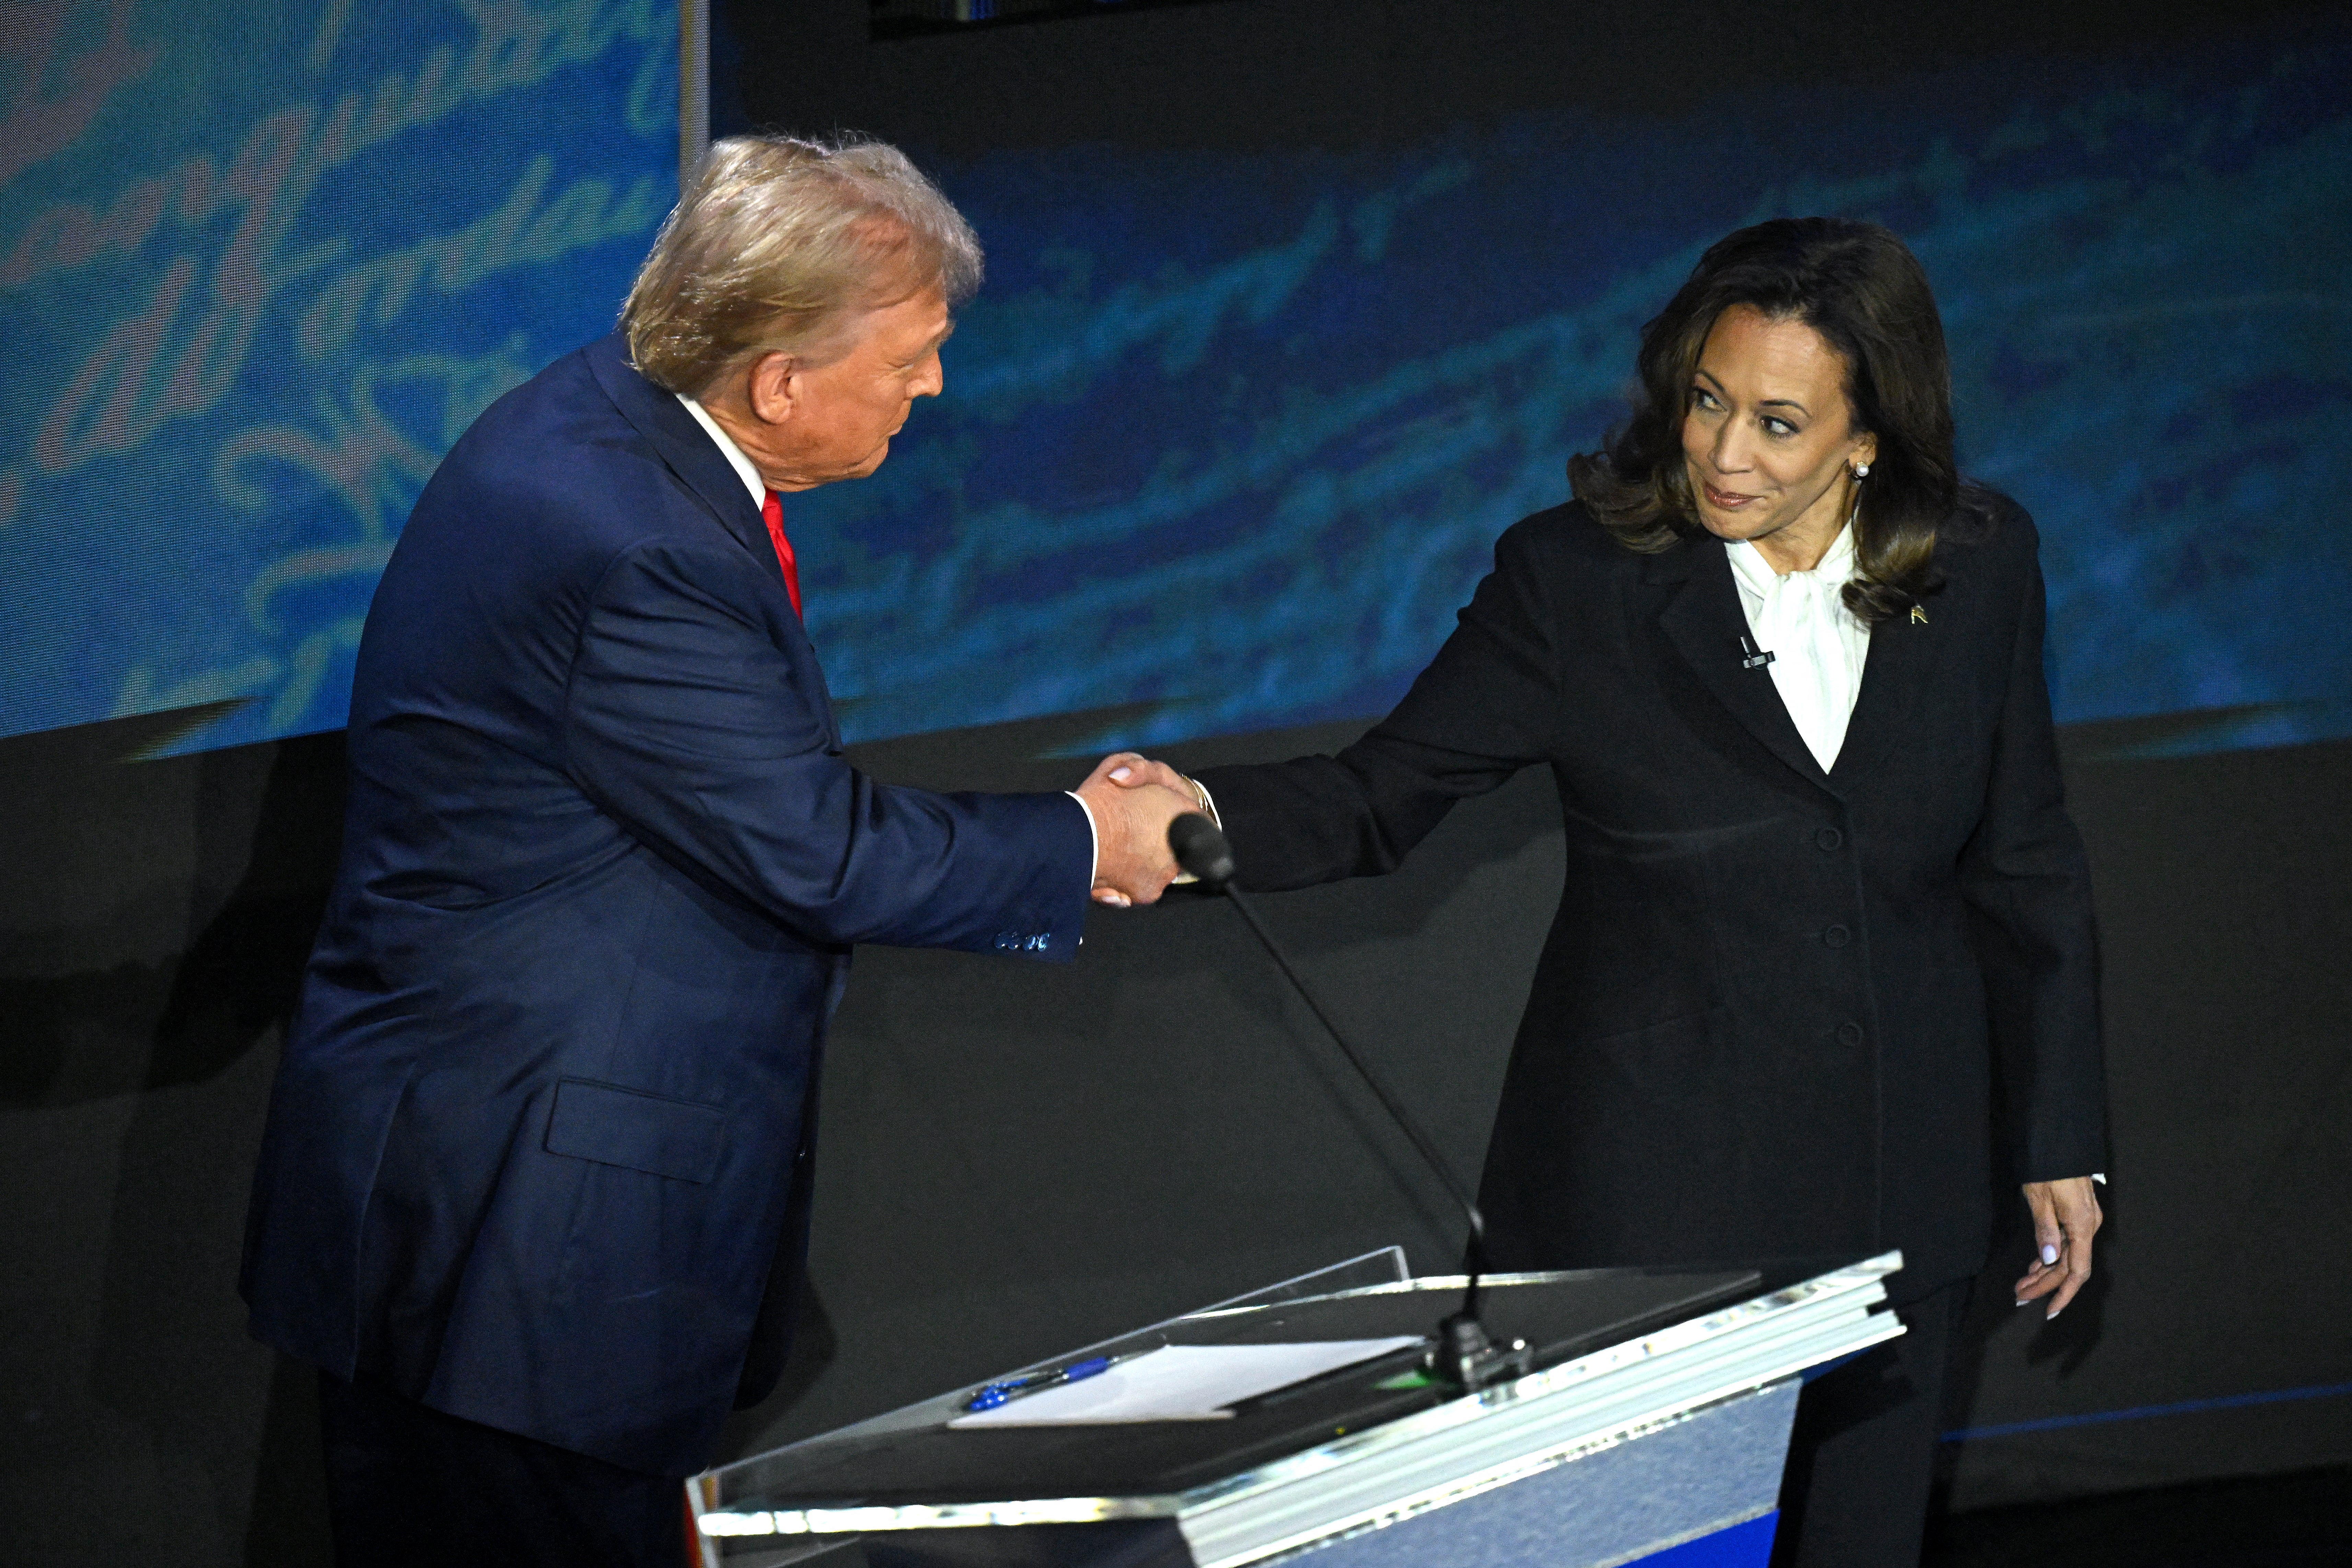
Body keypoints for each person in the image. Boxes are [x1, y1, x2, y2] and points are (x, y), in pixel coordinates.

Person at [238, 135, 1195, 1568]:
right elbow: (813, 846)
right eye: (911, 359)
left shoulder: (596, 419)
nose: (931, 389)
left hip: (467, 1199)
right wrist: (1084, 841)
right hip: (527, 1251)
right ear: (779, 382)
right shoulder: (639, 547)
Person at [1114, 218, 2107, 1566]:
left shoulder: (1981, 562)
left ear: (1866, 436)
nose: (1724, 452)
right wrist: (1186, 823)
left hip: (1904, 1185)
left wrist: (2058, 1135)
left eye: (1776, 421)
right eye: (1706, 400)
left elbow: (2024, 860)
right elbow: (1379, 794)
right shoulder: (1574, 581)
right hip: (1653, 1209)